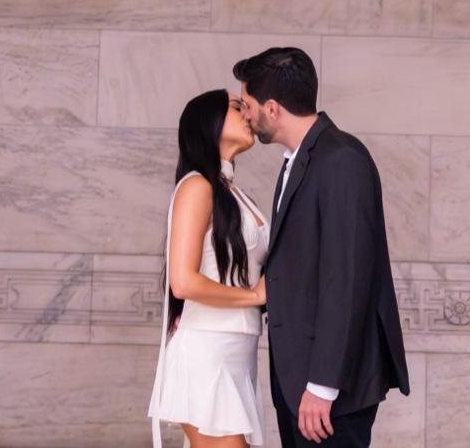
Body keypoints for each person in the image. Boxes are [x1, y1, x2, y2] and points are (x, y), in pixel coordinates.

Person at [233, 47, 409, 447]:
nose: (246, 116)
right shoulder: (298, 160)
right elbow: (293, 270)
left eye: (248, 105)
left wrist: (323, 386)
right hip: (297, 379)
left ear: (272, 109)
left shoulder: (341, 159)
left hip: (329, 390)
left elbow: (346, 278)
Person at [149, 89, 270, 447]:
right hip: (206, 352)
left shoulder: (232, 192)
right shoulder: (197, 186)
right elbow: (183, 282)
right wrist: (255, 296)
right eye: (236, 107)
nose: (247, 113)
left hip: (237, 352)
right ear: (209, 122)